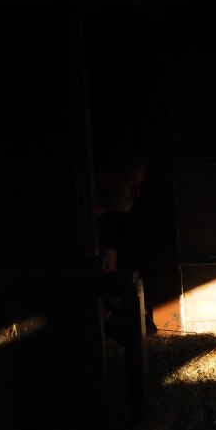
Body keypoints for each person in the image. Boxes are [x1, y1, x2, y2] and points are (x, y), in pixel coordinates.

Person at [93, 145, 153, 342]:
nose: (137, 193)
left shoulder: (110, 220)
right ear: (104, 180)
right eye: (129, 183)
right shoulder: (79, 225)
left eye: (138, 185)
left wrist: (132, 313)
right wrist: (108, 320)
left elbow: (109, 275)